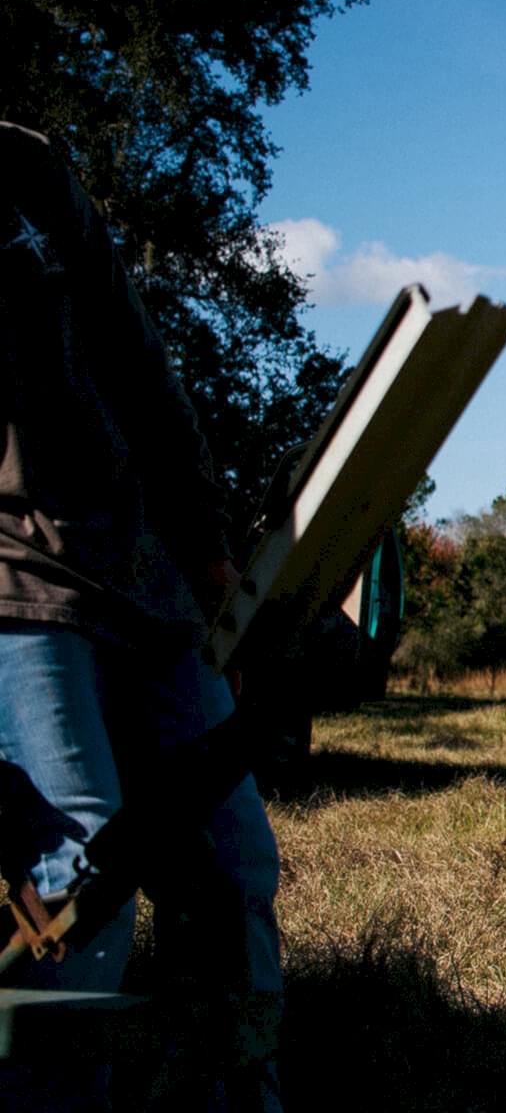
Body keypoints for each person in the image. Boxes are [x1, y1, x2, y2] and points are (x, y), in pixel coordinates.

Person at [0, 122, 283, 1110]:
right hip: (15, 586)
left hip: (149, 575)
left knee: (233, 857)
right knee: (79, 863)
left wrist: (207, 552)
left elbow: (137, 357)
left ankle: (240, 1090)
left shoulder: (26, 165)